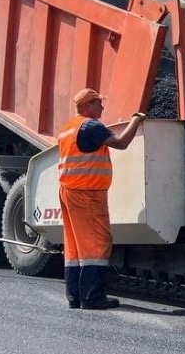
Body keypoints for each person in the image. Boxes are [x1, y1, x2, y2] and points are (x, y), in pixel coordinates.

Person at [58, 88, 147, 310]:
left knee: (75, 248)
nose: (103, 107)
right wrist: (136, 120)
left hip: (69, 191)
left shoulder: (68, 128)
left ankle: (75, 296)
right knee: (97, 244)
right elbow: (121, 142)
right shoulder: (91, 126)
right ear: (88, 106)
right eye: (99, 103)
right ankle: (92, 297)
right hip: (87, 194)